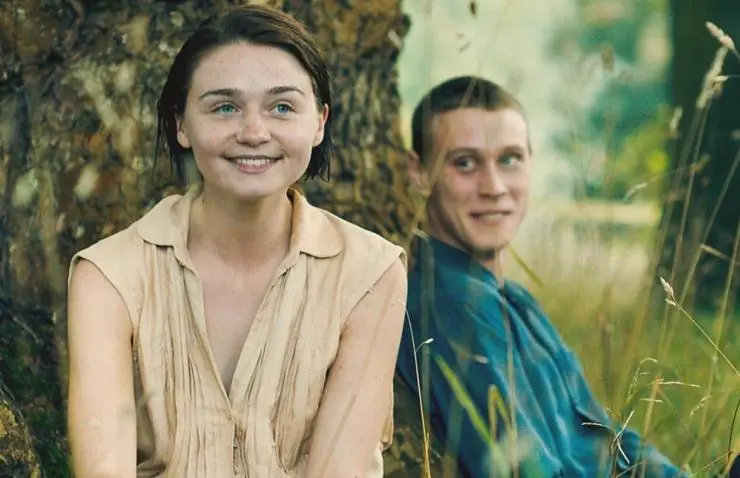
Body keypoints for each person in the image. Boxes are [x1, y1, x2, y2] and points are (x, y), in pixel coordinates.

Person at [66, 6, 407, 477]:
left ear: (319, 122)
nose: (253, 133)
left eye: (282, 107)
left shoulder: (371, 273)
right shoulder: (108, 276)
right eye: (224, 107)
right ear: (182, 123)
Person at [395, 75, 687, 477]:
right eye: (464, 163)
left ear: (531, 162)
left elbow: (607, 441)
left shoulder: (514, 300)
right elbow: (522, 468)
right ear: (419, 172)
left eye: (509, 159)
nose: (494, 187)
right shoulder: (452, 306)